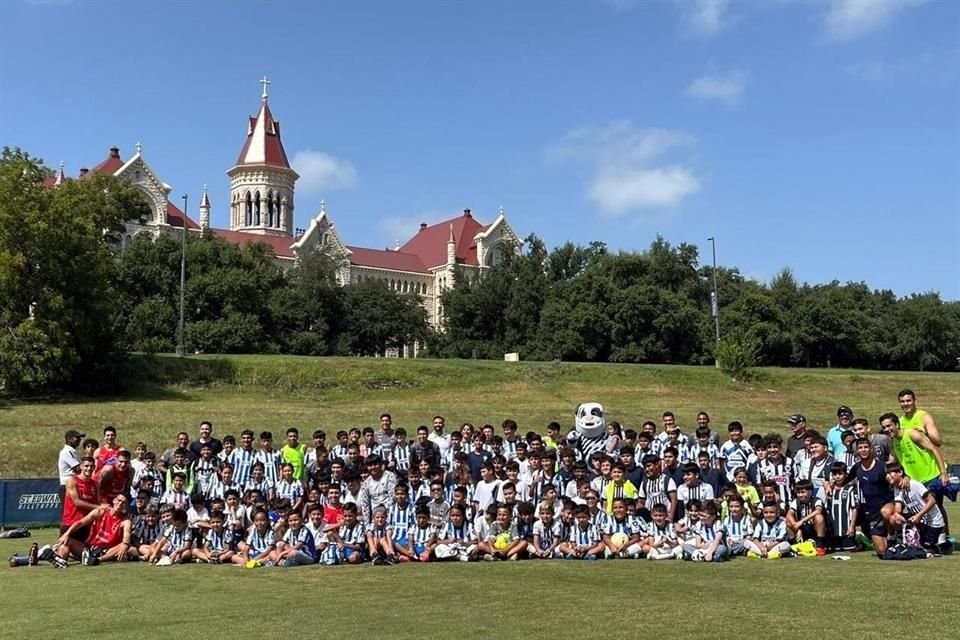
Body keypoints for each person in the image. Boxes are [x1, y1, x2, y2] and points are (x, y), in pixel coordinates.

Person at [882, 412, 951, 534]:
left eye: (889, 426)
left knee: (935, 507)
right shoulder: (894, 442)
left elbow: (934, 449)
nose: (887, 429)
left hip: (931, 475)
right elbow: (896, 463)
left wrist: (943, 472)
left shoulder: (912, 434)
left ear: (897, 424)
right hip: (917, 480)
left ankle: (943, 539)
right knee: (922, 508)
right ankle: (931, 539)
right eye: (884, 427)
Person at [52, 494, 132, 568]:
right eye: (119, 500)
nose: (120, 503)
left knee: (124, 545)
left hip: (106, 550)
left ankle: (97, 560)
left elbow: (127, 535)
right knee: (66, 542)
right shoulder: (101, 511)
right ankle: (60, 561)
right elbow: (80, 522)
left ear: (126, 506)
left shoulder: (125, 521)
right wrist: (67, 533)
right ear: (114, 500)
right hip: (90, 547)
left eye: (124, 503)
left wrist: (125, 544)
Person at [886, 462, 948, 555]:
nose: (887, 476)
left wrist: (919, 515)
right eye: (886, 474)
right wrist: (897, 514)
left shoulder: (914, 484)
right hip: (920, 521)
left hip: (933, 522)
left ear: (900, 472)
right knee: (892, 518)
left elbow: (932, 501)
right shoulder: (897, 488)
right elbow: (898, 507)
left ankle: (940, 545)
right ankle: (900, 538)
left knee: (925, 550)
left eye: (890, 473)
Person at [849, 436, 895, 555]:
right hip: (872, 511)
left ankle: (892, 535)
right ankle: (890, 543)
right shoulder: (857, 467)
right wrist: (830, 484)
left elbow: (900, 473)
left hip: (888, 504)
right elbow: (845, 480)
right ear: (857, 451)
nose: (863, 450)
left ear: (871, 449)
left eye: (866, 447)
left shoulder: (882, 466)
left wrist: (906, 478)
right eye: (860, 448)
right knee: (882, 551)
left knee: (885, 512)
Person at [61, 457, 100, 538]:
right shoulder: (72, 481)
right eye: (86, 466)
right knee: (64, 548)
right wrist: (99, 507)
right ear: (81, 466)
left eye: (92, 466)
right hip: (71, 523)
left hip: (87, 524)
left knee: (85, 550)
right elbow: (77, 502)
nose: (89, 468)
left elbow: (99, 501)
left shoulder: (95, 484)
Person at [824, 462, 858, 551]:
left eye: (840, 474)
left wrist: (852, 526)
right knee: (835, 549)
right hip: (833, 530)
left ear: (846, 474)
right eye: (835, 474)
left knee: (849, 548)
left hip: (846, 529)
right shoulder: (829, 490)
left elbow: (855, 508)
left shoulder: (850, 489)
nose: (837, 477)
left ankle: (859, 541)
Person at [358, 454, 398, 523]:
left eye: (375, 464)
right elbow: (365, 505)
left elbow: (393, 498)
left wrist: (386, 516)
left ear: (381, 465)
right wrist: (367, 524)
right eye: (370, 465)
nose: (373, 467)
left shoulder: (389, 476)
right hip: (375, 519)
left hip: (390, 516)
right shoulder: (366, 483)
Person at [58, 429, 85, 517]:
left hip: (74, 485)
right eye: (77, 438)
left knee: (74, 513)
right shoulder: (66, 452)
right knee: (67, 513)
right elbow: (78, 469)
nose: (79, 440)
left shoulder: (73, 451)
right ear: (69, 439)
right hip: (67, 486)